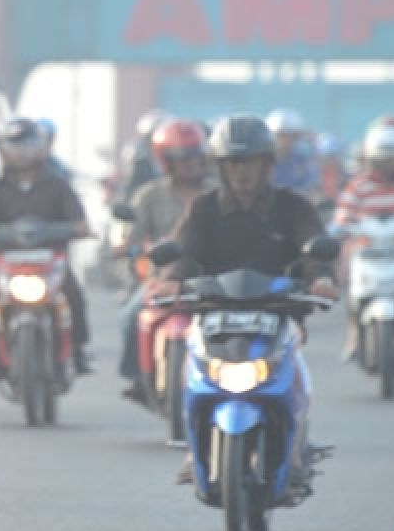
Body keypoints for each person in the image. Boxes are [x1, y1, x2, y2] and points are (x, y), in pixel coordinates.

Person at [153, 115, 338, 486]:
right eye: (233, 163)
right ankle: (194, 446)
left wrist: (320, 279)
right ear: (220, 166)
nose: (242, 173)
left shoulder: (294, 207)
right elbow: (185, 253)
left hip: (277, 312)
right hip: (213, 313)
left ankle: (296, 446)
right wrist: (171, 281)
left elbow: (313, 252)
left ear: (267, 163)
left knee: (292, 367)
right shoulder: (203, 208)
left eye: (250, 162)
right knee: (193, 367)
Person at [0, 117, 93, 374]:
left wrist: (78, 228)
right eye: (15, 144)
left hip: (50, 262)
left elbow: (79, 220)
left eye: (28, 144)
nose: (22, 151)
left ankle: (78, 350)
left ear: (41, 147)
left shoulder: (58, 186)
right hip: (9, 263)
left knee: (73, 294)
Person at [117, 118, 210, 400]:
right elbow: (132, 234)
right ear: (166, 160)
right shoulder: (149, 195)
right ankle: (136, 377)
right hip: (162, 278)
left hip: (209, 276)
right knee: (130, 315)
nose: (190, 164)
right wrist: (127, 246)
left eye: (194, 156)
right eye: (182, 158)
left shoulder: (217, 193)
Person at [333, 125, 394, 361]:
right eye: (384, 160)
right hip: (368, 245)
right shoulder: (359, 185)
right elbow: (344, 212)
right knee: (350, 274)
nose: (389, 166)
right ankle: (354, 335)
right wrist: (341, 225)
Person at [266, 108, 318, 198]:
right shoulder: (262, 161)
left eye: (291, 136)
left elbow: (310, 188)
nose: (285, 141)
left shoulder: (302, 162)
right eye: (281, 135)